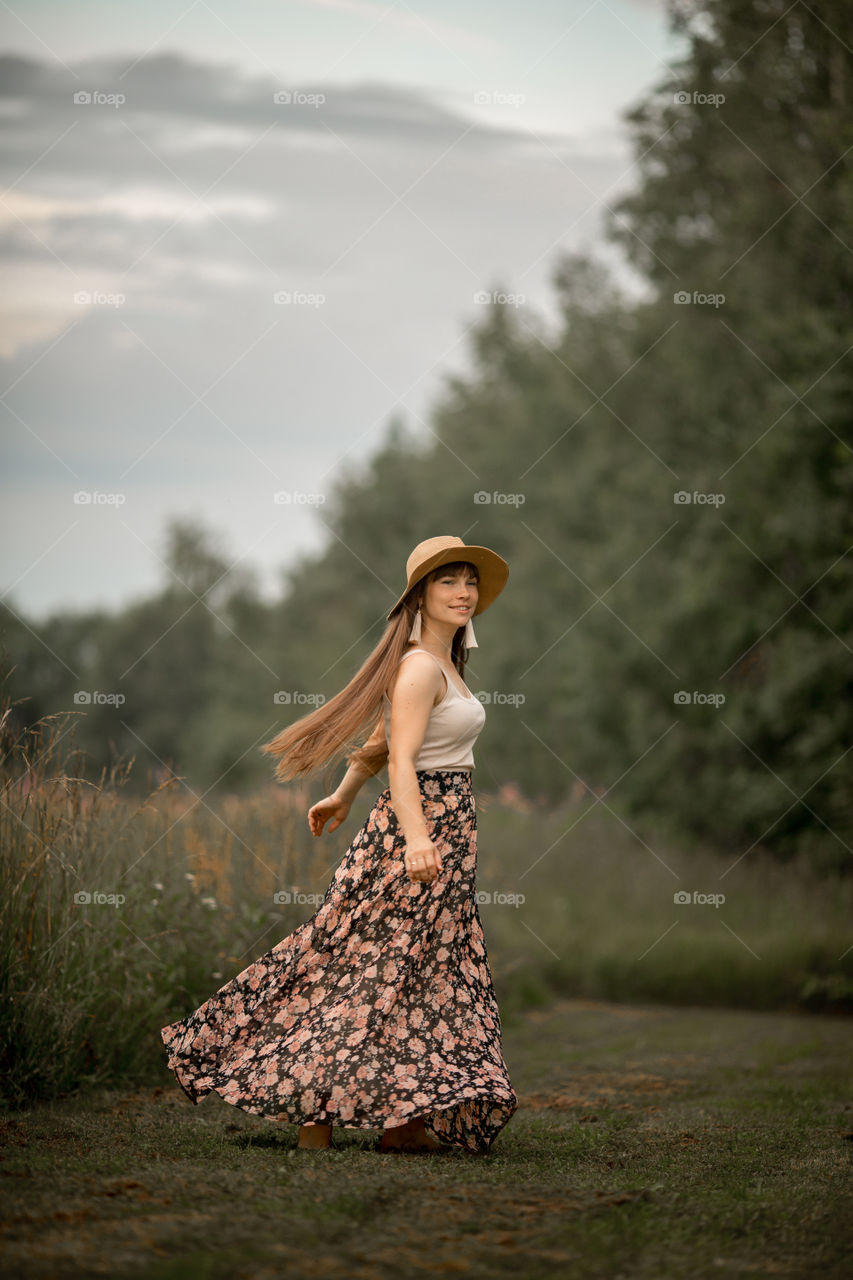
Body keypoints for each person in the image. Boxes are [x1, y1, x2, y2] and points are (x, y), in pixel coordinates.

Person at [159, 534, 518, 1155]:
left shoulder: (442, 664)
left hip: (449, 832)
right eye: (448, 581)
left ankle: (403, 1121)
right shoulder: (418, 667)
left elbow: (383, 737)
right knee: (367, 968)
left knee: (423, 971)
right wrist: (415, 838)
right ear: (420, 596)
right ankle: (314, 1114)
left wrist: (346, 791)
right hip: (419, 833)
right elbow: (403, 761)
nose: (464, 592)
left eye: (470, 581)